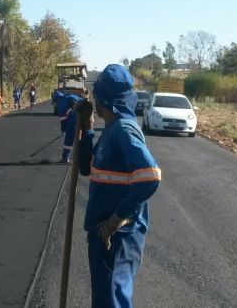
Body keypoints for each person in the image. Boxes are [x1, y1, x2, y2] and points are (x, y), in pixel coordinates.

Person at [79, 64, 161, 308]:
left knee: (113, 302)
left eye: (95, 94)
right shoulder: (112, 130)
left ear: (102, 98)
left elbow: (150, 176)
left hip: (117, 236)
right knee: (105, 300)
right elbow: (87, 168)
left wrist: (117, 219)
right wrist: (86, 129)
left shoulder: (123, 130)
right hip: (104, 230)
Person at [60, 94, 81, 163]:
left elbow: (63, 119)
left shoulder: (62, 103)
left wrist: (63, 130)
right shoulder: (74, 96)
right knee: (84, 138)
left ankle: (65, 158)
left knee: (69, 138)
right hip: (84, 117)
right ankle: (84, 159)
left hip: (74, 119)